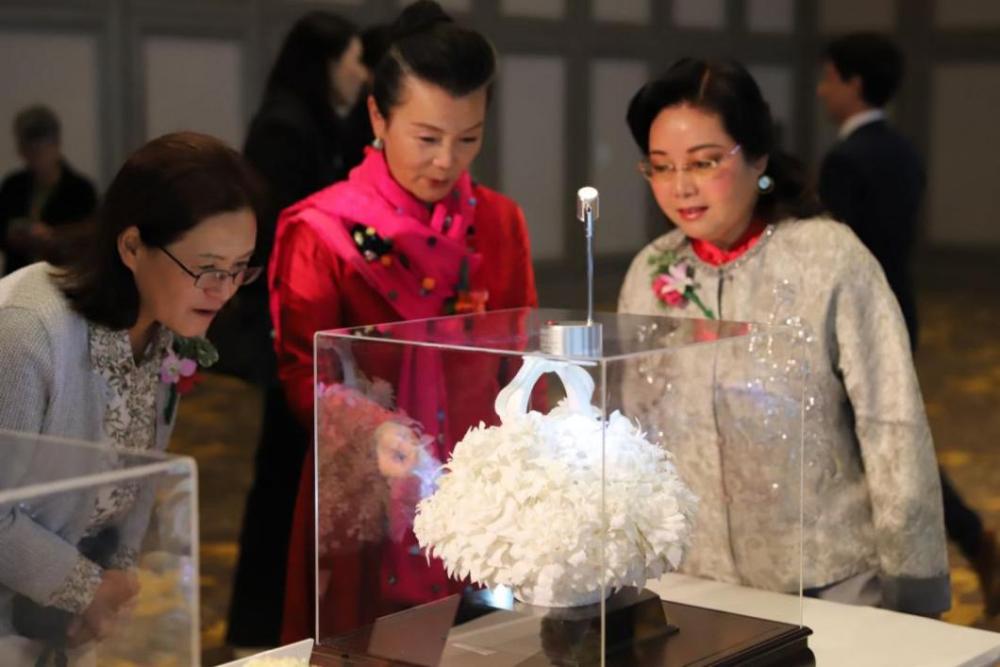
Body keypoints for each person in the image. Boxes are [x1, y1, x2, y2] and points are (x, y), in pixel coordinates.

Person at [618, 59, 949, 616]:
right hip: (693, 579)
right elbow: (634, 431)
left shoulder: (828, 257)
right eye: (661, 167)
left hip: (826, 577)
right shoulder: (652, 271)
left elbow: (892, 423)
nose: (680, 186)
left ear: (757, 156)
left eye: (703, 162)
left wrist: (913, 585)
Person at [273, 0, 537, 642]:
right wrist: (378, 432)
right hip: (366, 498)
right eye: (427, 137)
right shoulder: (322, 231)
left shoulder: (498, 222)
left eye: (468, 138)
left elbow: (523, 363)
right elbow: (305, 377)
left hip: (482, 495)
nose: (447, 161)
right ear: (377, 116)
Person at [0, 131, 260, 663]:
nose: (225, 289)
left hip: (63, 616)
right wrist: (88, 589)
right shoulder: (30, 331)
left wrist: (113, 579)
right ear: (132, 247)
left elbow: (139, 472)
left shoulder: (164, 322)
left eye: (240, 268)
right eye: (208, 268)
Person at [817, 33, 1000, 613]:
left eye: (829, 78)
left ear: (854, 83)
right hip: (903, 305)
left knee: (882, 440)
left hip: (859, 321)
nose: (821, 90)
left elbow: (839, 255)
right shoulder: (902, 149)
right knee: (891, 432)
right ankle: (971, 538)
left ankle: (963, 538)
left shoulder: (846, 161)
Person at [224, 11, 371, 650]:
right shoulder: (285, 128)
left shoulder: (312, 121)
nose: (361, 74)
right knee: (280, 481)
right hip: (287, 323)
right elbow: (280, 231)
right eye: (355, 60)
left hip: (304, 323)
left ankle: (275, 625)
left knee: (289, 480)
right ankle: (258, 627)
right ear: (326, 62)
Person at [0, 105, 98, 275]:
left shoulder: (80, 191)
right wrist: (12, 235)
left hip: (61, 277)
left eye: (38, 151)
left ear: (56, 144)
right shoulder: (12, 186)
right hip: (19, 276)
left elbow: (88, 240)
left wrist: (53, 237)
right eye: (28, 150)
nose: (33, 158)